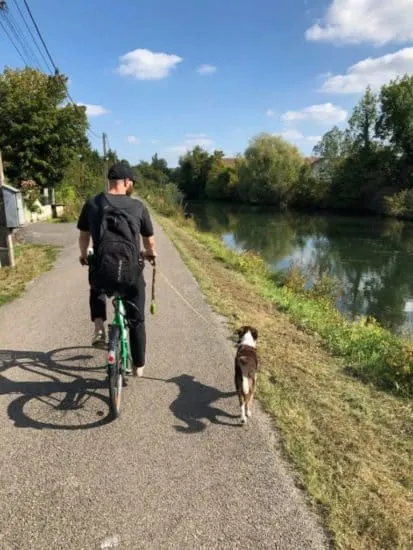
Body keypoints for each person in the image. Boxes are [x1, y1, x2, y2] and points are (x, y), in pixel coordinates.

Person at [76, 162, 157, 377]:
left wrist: (84, 256)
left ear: (110, 182)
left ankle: (100, 327)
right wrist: (151, 254)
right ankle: (139, 365)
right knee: (137, 319)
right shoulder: (138, 207)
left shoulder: (92, 203)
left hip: (103, 270)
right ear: (127, 182)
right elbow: (149, 240)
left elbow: (83, 236)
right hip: (130, 272)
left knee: (96, 284)